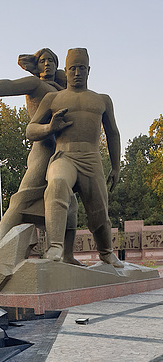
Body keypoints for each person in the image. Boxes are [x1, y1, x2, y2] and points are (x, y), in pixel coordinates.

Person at [0, 48, 82, 265]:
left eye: (52, 61)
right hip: (43, 148)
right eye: (42, 61)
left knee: (70, 204)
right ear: (36, 65)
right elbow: (12, 85)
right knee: (22, 199)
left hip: (62, 152)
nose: (47, 65)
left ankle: (68, 256)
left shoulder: (62, 89)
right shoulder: (36, 84)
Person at [26, 47, 123, 267]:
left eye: (81, 68)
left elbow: (113, 133)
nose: (77, 73)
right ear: (66, 71)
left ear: (89, 70)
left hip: (91, 159)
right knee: (57, 184)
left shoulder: (102, 100)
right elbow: (30, 130)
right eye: (72, 69)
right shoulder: (53, 98)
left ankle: (106, 252)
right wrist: (49, 128)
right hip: (64, 155)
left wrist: (116, 167)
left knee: (99, 210)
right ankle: (55, 247)